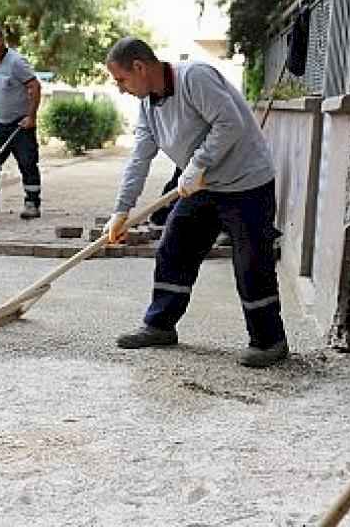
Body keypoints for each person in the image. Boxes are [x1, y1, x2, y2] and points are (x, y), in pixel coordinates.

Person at [103, 37, 288, 368]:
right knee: (174, 248)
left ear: (139, 67)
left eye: (121, 80)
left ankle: (269, 341)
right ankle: (159, 326)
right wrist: (121, 210)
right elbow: (139, 159)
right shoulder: (148, 106)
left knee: (251, 262)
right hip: (201, 186)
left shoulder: (195, 77)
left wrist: (199, 163)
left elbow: (230, 122)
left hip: (246, 183)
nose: (120, 88)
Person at [0, 24, 43, 219]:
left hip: (21, 123)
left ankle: (32, 203)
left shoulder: (16, 62)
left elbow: (35, 87)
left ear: (0, 42)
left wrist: (31, 116)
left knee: (27, 162)